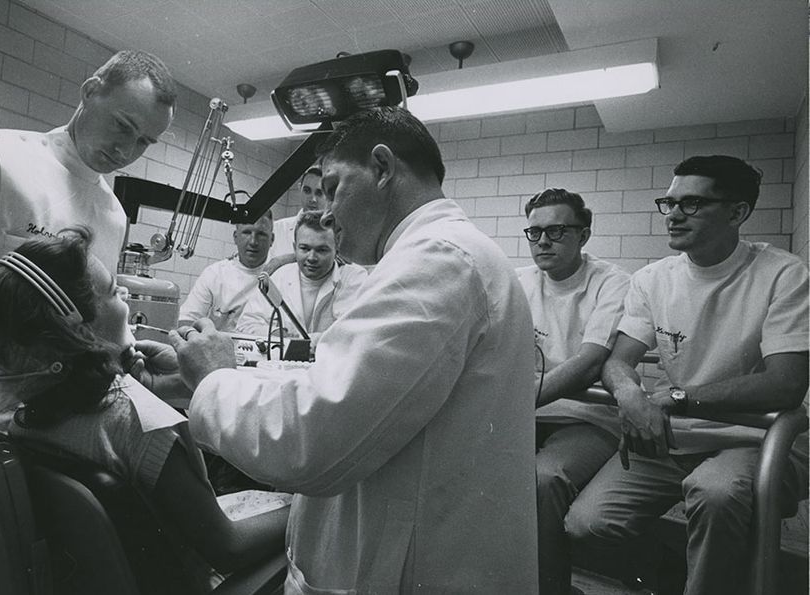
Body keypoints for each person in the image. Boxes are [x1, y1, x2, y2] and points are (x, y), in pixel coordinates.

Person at [160, 107, 538, 593]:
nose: (327, 212)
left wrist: (215, 382)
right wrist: (195, 376)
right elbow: (341, 380)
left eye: (335, 187)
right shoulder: (440, 255)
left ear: (382, 168)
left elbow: (315, 435)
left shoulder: (438, 260)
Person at [0, 227, 289, 590]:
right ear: (79, 329)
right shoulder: (142, 425)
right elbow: (228, 548)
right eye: (113, 291)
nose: (125, 299)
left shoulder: (27, 416)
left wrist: (170, 385)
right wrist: (308, 511)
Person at [565, 155, 809, 595]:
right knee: (588, 525)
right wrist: (630, 396)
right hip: (672, 439)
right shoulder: (653, 279)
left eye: (692, 203)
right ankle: (674, 574)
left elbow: (786, 383)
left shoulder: (783, 275)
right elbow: (618, 361)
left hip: (752, 439)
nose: (674, 214)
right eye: (670, 202)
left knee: (715, 494)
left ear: (737, 212)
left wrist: (673, 400)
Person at [0, 50, 176, 349]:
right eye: (122, 125)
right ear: (90, 92)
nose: (126, 151)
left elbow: (91, 323)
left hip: (51, 392)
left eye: (144, 141)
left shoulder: (115, 216)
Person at [516, 188, 630, 595]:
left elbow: (590, 362)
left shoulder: (612, 282)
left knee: (542, 480)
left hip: (588, 417)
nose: (543, 241)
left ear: (584, 235)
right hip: (529, 413)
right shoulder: (519, 282)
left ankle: (550, 590)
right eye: (534, 232)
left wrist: (519, 399)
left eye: (557, 230)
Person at [235, 210, 367, 348]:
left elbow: (352, 330)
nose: (312, 258)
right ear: (294, 248)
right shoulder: (280, 276)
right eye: (304, 248)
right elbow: (245, 324)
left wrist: (302, 342)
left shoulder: (354, 278)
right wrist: (274, 334)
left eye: (322, 250)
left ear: (337, 249)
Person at [178, 211, 274, 331]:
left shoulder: (281, 276)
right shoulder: (215, 274)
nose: (253, 241)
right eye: (246, 232)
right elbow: (187, 318)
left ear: (272, 239)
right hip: (217, 347)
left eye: (261, 234)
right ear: (235, 237)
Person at [263, 166, 324, 273]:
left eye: (319, 193)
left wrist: (285, 259)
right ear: (299, 189)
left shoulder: (337, 235)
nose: (312, 199)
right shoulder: (277, 229)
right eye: (307, 191)